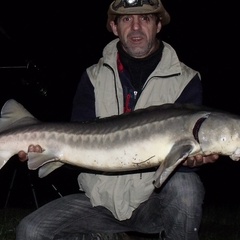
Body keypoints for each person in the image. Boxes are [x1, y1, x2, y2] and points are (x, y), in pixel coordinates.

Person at [16, 0, 219, 239]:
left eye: (144, 19)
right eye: (126, 19)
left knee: (186, 188)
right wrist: (47, 150)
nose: (135, 27)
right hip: (97, 202)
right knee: (31, 231)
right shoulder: (93, 77)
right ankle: (111, 234)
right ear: (114, 27)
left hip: (150, 203)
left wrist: (188, 161)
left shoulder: (186, 80)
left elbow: (180, 170)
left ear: (158, 25)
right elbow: (77, 152)